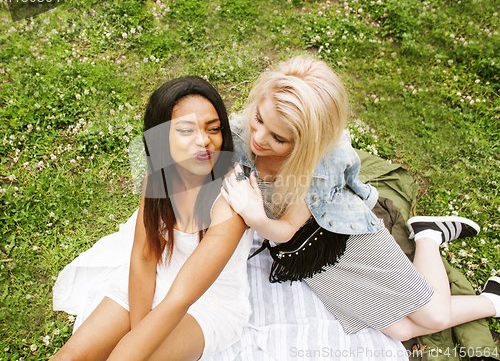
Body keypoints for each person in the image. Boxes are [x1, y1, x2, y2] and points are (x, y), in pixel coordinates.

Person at [221, 55, 500, 341]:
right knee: (401, 330)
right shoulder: (239, 134)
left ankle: (432, 239)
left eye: (278, 138)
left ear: (306, 143)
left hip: (345, 240)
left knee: (433, 315)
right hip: (309, 257)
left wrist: (253, 214)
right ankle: (489, 297)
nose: (259, 138)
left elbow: (286, 230)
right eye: (258, 118)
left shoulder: (319, 169)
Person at [51, 76, 253, 361]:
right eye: (186, 130)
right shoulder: (157, 179)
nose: (204, 141)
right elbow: (144, 257)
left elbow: (181, 297)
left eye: (214, 128)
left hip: (204, 303)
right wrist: (137, 332)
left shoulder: (230, 203)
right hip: (157, 277)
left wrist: (133, 349)